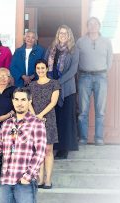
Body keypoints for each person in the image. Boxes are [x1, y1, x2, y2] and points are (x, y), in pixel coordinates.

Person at [76, 17, 113, 146]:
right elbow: (76, 60)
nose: (93, 26)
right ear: (87, 26)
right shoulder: (80, 42)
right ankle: (83, 138)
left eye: (95, 24)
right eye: (90, 24)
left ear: (99, 26)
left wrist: (102, 71)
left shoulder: (106, 41)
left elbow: (110, 60)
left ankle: (99, 138)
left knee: (100, 110)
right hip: (84, 77)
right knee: (83, 111)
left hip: (101, 77)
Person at [46, 25, 79, 159]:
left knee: (66, 119)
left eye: (65, 33)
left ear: (69, 35)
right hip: (52, 89)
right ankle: (54, 146)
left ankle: (64, 148)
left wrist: (58, 82)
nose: (62, 35)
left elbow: (73, 70)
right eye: (60, 33)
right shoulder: (51, 49)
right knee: (55, 120)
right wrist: (50, 82)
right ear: (57, 35)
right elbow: (44, 66)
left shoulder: (74, 50)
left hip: (67, 89)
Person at [28, 59, 60, 189]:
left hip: (49, 119)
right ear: (35, 70)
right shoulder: (31, 85)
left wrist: (41, 115)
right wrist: (35, 116)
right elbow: (28, 102)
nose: (40, 70)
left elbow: (53, 102)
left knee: (48, 149)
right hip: (35, 119)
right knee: (38, 150)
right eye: (38, 68)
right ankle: (39, 179)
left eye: (43, 68)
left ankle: (48, 180)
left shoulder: (54, 84)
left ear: (47, 69)